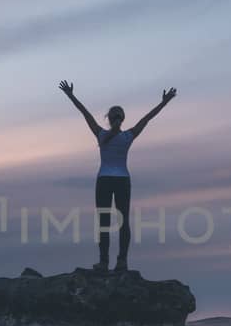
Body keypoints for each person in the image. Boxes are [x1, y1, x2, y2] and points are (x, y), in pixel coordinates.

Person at [58, 80, 177, 273]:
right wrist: (164, 102)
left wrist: (71, 95)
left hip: (104, 180)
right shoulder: (128, 136)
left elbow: (85, 113)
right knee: (123, 222)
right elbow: (147, 119)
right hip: (122, 180)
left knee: (104, 222)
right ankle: (122, 261)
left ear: (109, 118)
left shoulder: (101, 135)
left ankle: (104, 262)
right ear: (122, 119)